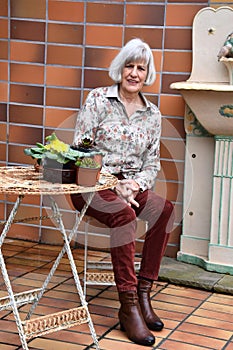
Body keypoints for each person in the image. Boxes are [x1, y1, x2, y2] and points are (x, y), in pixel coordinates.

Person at [71, 38, 174, 347]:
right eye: (129, 65)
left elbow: (151, 162)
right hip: (91, 184)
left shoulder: (152, 114)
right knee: (124, 214)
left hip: (130, 186)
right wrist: (111, 183)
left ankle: (144, 295)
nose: (134, 73)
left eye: (140, 68)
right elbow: (80, 151)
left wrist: (134, 186)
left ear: (147, 73)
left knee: (164, 210)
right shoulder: (98, 99)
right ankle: (127, 305)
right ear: (120, 68)